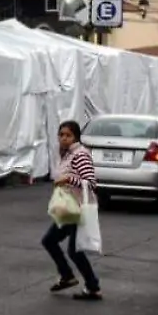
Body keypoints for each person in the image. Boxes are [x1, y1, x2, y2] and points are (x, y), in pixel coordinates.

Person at [42, 120, 102, 302]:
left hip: (79, 207)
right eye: (61, 135)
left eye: (68, 135)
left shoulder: (80, 154)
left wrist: (68, 179)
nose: (63, 138)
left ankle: (91, 286)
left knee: (70, 249)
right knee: (51, 241)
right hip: (69, 207)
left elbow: (91, 182)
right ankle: (71, 277)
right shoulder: (67, 154)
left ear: (75, 136)